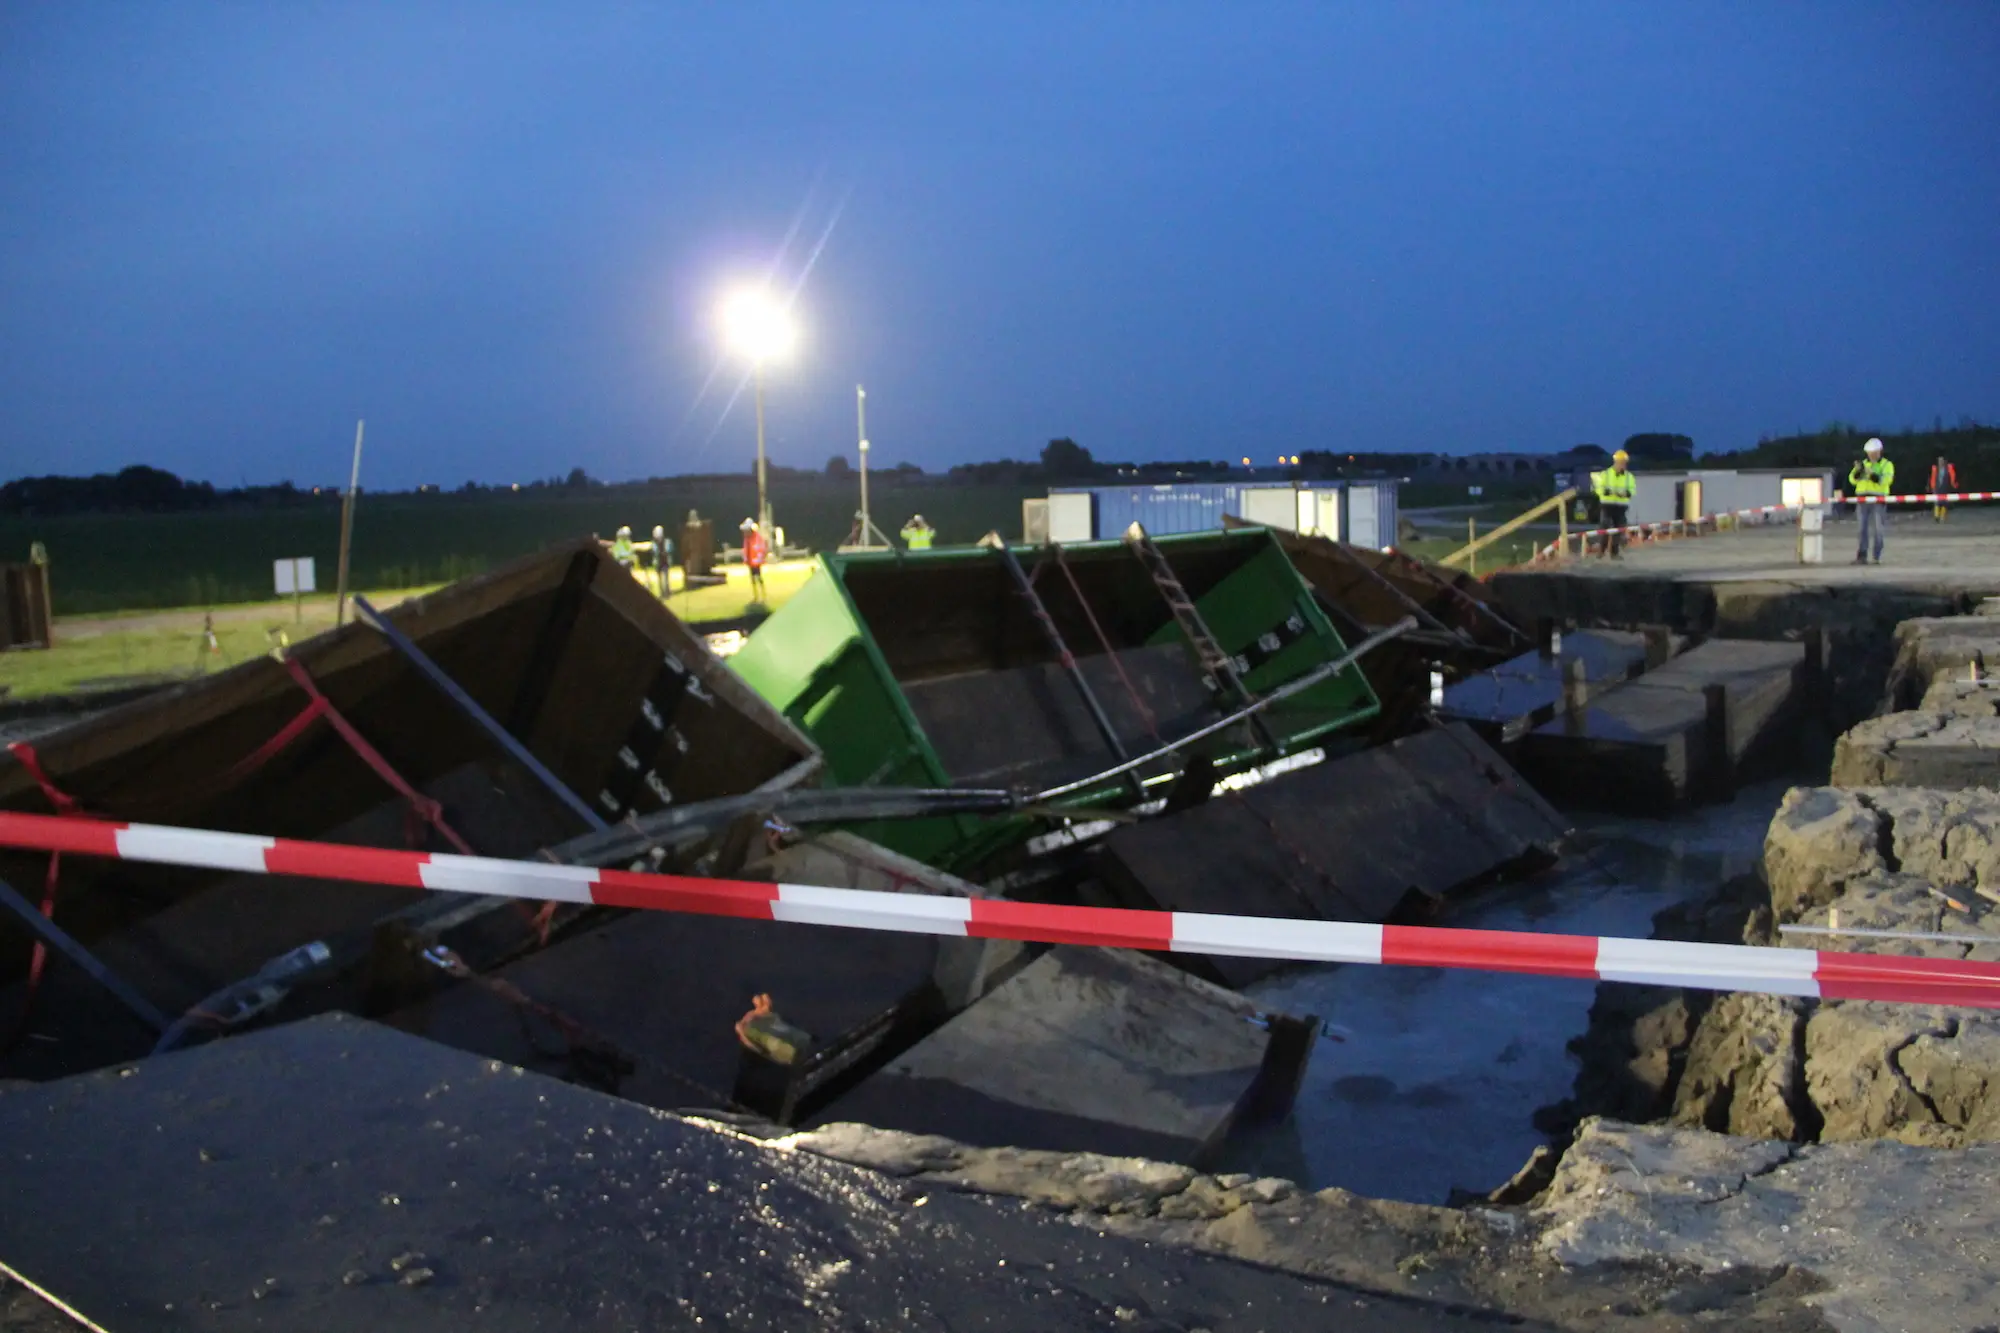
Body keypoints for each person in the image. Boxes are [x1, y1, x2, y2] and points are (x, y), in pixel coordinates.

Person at [1849, 438, 1894, 563]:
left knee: (1878, 530)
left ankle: (1876, 556)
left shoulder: (1886, 465)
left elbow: (1886, 480)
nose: (1872, 455)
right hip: (1862, 499)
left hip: (1878, 499)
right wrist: (1858, 472)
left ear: (1879, 451)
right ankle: (1862, 556)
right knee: (1861, 529)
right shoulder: (1863, 464)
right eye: (1869, 453)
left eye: (1874, 452)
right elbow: (1852, 479)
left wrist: (1871, 475)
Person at [1591, 450, 1636, 558]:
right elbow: (1598, 488)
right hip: (1607, 505)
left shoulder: (1629, 476)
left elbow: (1632, 490)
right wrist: (1606, 492)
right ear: (1616, 462)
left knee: (1619, 530)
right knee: (1605, 528)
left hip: (1621, 507)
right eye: (1621, 462)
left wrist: (1626, 493)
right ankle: (1601, 551)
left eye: (1624, 462)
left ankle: (1614, 553)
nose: (1623, 464)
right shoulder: (1605, 474)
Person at [740, 518, 768, 601]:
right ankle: (756, 596)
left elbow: (761, 548)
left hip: (756, 562)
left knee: (759, 577)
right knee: (752, 579)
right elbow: (746, 549)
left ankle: (763, 594)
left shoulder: (757, 537)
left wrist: (759, 557)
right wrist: (745, 558)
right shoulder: (747, 538)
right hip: (750, 561)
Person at [1929, 456, 1957, 522]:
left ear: (1944, 461)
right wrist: (1933, 487)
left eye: (1941, 461)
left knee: (1944, 503)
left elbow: (1952, 477)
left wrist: (1953, 485)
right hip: (1937, 488)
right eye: (1939, 461)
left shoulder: (1948, 468)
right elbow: (1932, 478)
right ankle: (1936, 516)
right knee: (1937, 502)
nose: (1940, 462)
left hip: (1945, 488)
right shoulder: (1935, 469)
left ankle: (1942, 516)